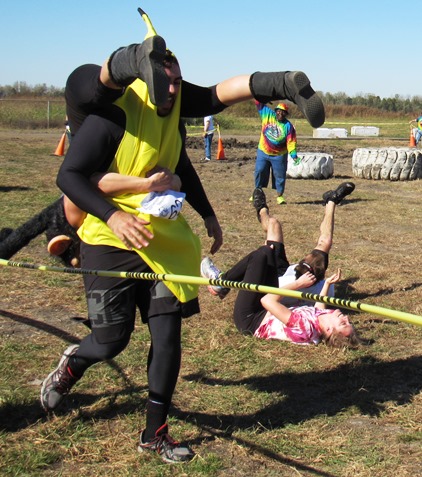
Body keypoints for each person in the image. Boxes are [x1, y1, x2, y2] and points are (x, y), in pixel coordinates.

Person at [40, 11, 325, 464]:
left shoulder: (174, 113)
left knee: (167, 334)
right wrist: (113, 218)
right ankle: (73, 364)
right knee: (111, 340)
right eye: (166, 82)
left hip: (163, 240)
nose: (174, 90)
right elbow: (69, 176)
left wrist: (208, 214)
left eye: (177, 81)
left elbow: (198, 133)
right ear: (146, 79)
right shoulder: (114, 116)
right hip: (108, 238)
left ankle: (155, 432)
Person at [201, 184, 360, 347]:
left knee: (262, 254)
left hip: (250, 319)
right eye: (348, 321)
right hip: (264, 308)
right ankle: (262, 210)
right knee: (267, 252)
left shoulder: (304, 327)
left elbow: (268, 301)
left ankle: (221, 282)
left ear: (328, 329)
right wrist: (326, 284)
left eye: (342, 324)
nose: (346, 318)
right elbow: (318, 308)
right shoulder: (320, 323)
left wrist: (299, 284)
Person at [253, 101, 299, 206]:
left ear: (286, 114)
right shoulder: (267, 115)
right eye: (279, 111)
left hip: (279, 155)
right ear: (275, 111)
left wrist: (294, 155)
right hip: (263, 151)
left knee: (279, 175)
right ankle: (257, 192)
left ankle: (280, 196)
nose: (280, 114)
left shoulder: (288, 126)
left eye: (283, 112)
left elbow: (291, 142)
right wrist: (262, 95)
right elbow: (258, 102)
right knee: (259, 171)